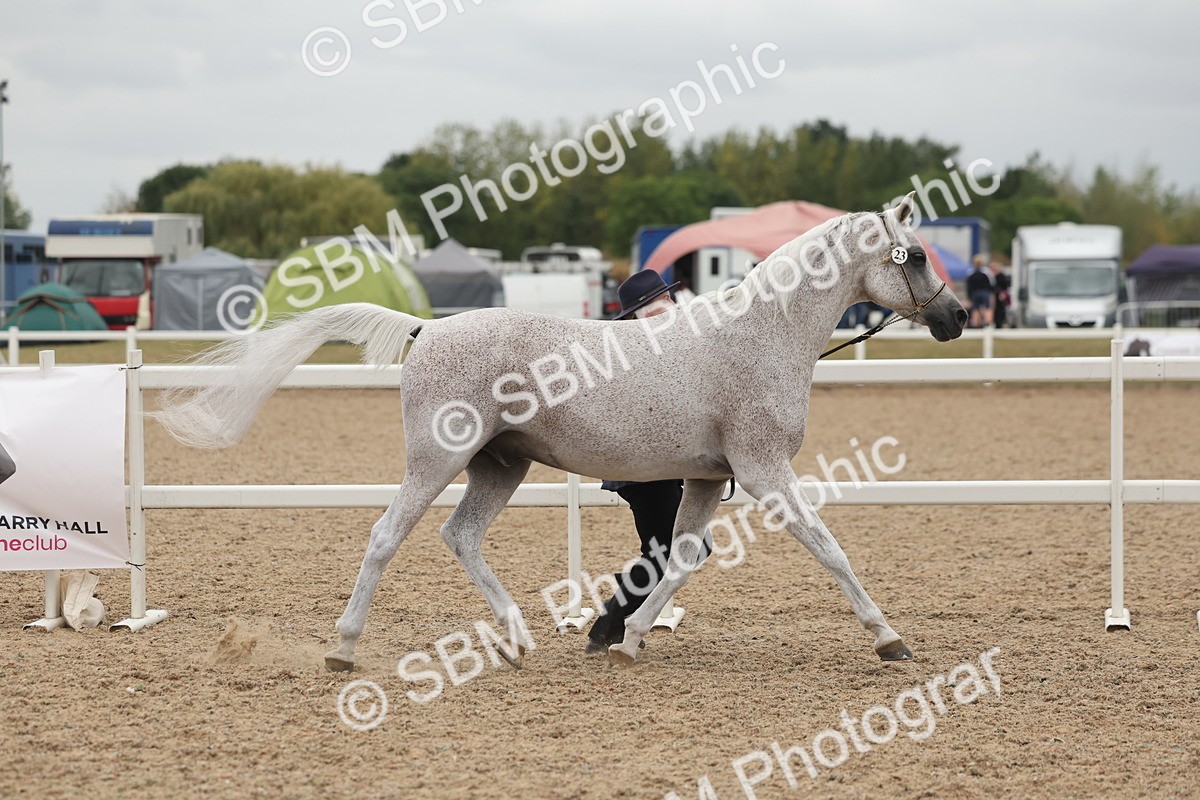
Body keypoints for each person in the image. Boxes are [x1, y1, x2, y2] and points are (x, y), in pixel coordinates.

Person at [586, 270, 694, 654]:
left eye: (669, 301)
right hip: (642, 470)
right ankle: (610, 623)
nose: (671, 309)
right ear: (640, 315)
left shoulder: (667, 345)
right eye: (660, 306)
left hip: (657, 467)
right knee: (675, 549)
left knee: (677, 547)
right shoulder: (641, 353)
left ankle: (613, 622)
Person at [966, 255, 994, 328]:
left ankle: (975, 324)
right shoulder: (986, 271)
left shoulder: (970, 272)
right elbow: (992, 283)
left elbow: (968, 284)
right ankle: (987, 323)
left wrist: (969, 295)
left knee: (975, 308)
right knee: (987, 307)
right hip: (985, 291)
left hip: (974, 293)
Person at [991, 261, 1011, 328]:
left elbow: (1004, 286)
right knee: (994, 309)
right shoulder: (991, 276)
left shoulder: (1001, 276)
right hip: (994, 295)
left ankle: (1000, 322)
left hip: (999, 294)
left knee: (1000, 308)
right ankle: (995, 322)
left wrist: (1003, 293)